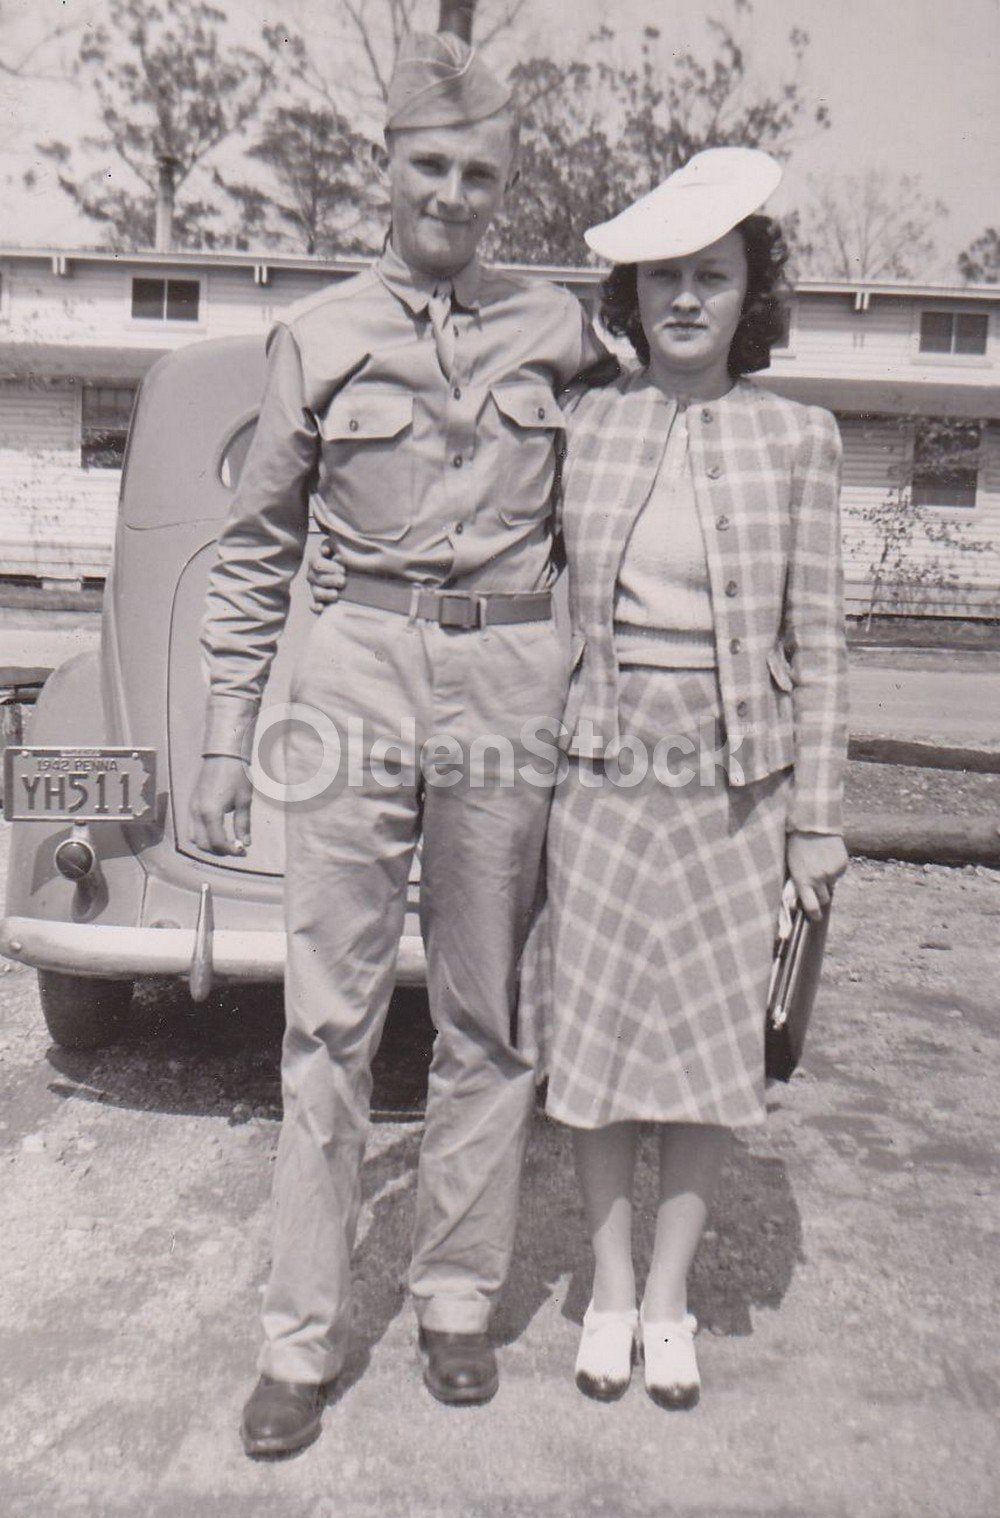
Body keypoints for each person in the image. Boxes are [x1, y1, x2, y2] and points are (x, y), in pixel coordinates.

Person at [188, 30, 602, 1457]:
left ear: (505, 183)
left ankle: (454, 1298)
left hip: (507, 683)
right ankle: (299, 1337)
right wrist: (226, 738)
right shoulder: (317, 334)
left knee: (487, 1015)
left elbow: (606, 526)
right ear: (386, 166)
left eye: (480, 172)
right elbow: (254, 554)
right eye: (430, 163)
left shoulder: (561, 332)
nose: (454, 192)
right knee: (326, 1021)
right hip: (355, 673)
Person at [524, 147, 849, 1411]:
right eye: (663, 277)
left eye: (712, 276)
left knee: (712, 1047)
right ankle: (605, 1294)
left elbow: (814, 637)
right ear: (633, 294)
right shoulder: (585, 425)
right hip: (601, 771)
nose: (687, 301)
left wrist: (816, 816)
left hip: (738, 788)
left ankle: (669, 1304)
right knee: (594, 1040)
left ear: (748, 292)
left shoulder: (797, 439)